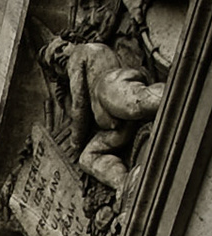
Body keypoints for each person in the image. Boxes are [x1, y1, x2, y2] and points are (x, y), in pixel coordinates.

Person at [41, 34, 164, 192]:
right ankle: (125, 183)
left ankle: (173, 96)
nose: (59, 57)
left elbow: (80, 103)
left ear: (74, 42)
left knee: (136, 103)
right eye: (54, 61)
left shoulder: (80, 53)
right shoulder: (76, 69)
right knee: (88, 157)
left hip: (113, 88)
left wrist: (75, 142)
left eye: (61, 48)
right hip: (116, 124)